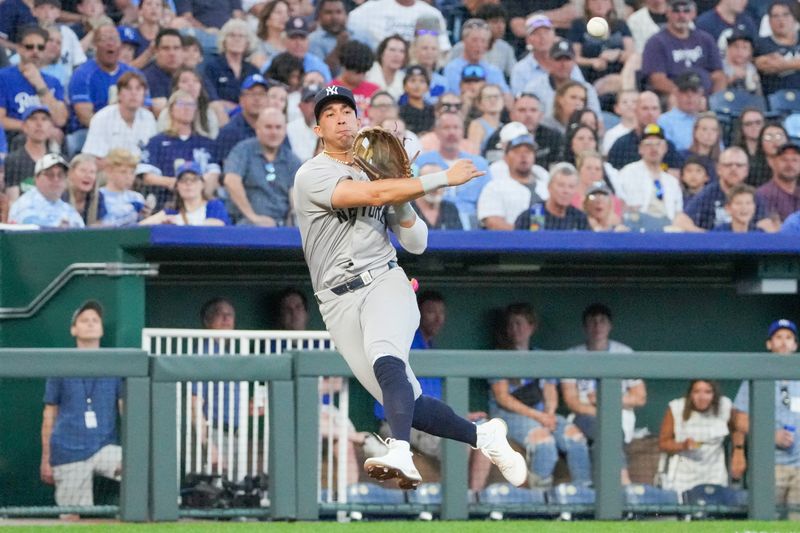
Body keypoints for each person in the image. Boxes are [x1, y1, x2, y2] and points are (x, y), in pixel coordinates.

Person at [292, 84, 526, 490]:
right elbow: (373, 193)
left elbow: (417, 243)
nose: (340, 117)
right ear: (317, 129)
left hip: (385, 280)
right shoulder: (313, 174)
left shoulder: (381, 174)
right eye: (329, 113)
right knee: (408, 404)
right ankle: (484, 436)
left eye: (346, 110)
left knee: (387, 359)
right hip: (336, 301)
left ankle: (400, 451)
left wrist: (402, 189)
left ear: (359, 119)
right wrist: (437, 180)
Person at [489, 302, 592, 488]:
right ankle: (537, 499)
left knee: (576, 438)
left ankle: (581, 493)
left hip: (542, 414)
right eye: (511, 324)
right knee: (544, 444)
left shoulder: (541, 356)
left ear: (531, 327)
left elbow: (550, 390)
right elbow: (503, 398)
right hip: (510, 416)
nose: (514, 329)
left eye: (519, 323)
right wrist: (540, 417)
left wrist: (549, 414)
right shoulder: (499, 356)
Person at [40, 300, 122, 509]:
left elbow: (126, 409)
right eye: (84, 320)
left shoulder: (115, 364)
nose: (91, 324)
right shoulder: (61, 364)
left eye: (95, 320)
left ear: (102, 329)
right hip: (68, 449)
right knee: (72, 518)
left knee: (140, 467)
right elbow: (49, 414)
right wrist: (46, 458)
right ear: (73, 329)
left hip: (104, 447)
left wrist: (136, 447)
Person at [562, 303, 647, 484]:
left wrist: (607, 401)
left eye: (602, 321)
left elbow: (640, 398)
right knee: (607, 430)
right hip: (584, 416)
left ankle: (590, 490)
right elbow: (571, 401)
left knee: (604, 438)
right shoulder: (572, 355)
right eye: (592, 322)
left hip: (620, 416)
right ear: (585, 327)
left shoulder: (624, 353)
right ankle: (624, 485)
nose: (597, 326)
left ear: (610, 326)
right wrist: (599, 412)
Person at [732, 319, 800, 519]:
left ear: (795, 345)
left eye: (789, 338)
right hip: (769, 465)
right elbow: (739, 419)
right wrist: (770, 434)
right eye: (778, 337)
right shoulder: (756, 375)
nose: (784, 342)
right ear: (769, 344)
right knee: (767, 521)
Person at [137, 89, 220, 211]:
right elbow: (147, 176)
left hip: (200, 202)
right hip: (165, 201)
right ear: (171, 109)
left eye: (191, 105)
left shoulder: (206, 143)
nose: (187, 109)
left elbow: (213, 174)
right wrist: (174, 183)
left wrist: (195, 189)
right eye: (181, 104)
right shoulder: (157, 142)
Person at [223, 107, 300, 226]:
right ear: (257, 129)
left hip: (282, 225)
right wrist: (253, 217)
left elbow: (296, 195)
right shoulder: (243, 150)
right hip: (247, 223)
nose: (273, 132)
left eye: (278, 127)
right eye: (268, 127)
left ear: (285, 130)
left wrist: (294, 217)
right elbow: (231, 181)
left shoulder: (291, 159)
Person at [415, 111, 491, 229]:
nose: (452, 132)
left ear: (463, 132)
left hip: (472, 225)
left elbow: (488, 200)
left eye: (456, 127)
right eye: (446, 128)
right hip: (436, 222)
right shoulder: (421, 162)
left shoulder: (479, 164)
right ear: (436, 132)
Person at [657, 380, 736, 494]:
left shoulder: (725, 405)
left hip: (714, 472)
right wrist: (683, 445)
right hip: (683, 474)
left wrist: (738, 452)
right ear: (690, 394)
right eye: (697, 392)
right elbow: (663, 443)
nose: (702, 397)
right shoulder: (677, 407)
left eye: (708, 392)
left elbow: (738, 428)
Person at [675, 146, 776, 231]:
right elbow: (681, 220)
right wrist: (708, 238)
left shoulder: (753, 195)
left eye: (739, 165)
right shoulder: (709, 193)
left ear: (746, 170)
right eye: (728, 165)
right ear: (719, 169)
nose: (733, 169)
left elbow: (767, 225)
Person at [641, 0, 727, 96]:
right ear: (667, 13)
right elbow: (657, 80)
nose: (681, 16)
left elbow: (719, 75)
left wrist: (714, 101)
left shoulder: (706, 39)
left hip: (705, 98)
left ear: (694, 14)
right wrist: (687, 98)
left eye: (686, 11)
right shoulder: (656, 42)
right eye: (676, 11)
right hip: (672, 99)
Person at [0, 25, 68, 138]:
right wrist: (31, 129)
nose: (35, 51)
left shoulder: (53, 81)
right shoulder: (3, 77)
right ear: (19, 49)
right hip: (14, 138)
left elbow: (60, 120)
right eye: (29, 47)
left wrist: (40, 85)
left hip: (45, 140)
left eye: (40, 47)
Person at [478, 134, 548, 230]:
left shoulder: (546, 187)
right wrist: (523, 237)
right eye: (517, 151)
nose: (524, 156)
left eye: (528, 151)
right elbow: (493, 222)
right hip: (510, 242)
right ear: (506, 158)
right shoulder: (495, 187)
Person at [81, 71, 156, 161]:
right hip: (110, 171)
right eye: (128, 88)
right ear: (119, 94)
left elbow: (152, 156)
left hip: (141, 171)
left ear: (144, 95)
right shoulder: (101, 118)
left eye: (138, 89)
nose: (134, 93)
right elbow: (93, 157)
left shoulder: (149, 118)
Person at [617, 124, 683, 224]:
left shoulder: (672, 182)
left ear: (665, 148)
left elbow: (678, 212)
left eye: (658, 144)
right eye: (648, 144)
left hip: (667, 229)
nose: (653, 148)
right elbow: (619, 203)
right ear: (640, 149)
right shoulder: (628, 172)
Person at [524, 40, 602, 123]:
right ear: (549, 61)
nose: (563, 64)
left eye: (567, 59)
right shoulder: (533, 88)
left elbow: (598, 124)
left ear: (574, 62)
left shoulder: (587, 89)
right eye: (558, 59)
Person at [482, 93, 564, 170]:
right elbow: (493, 168)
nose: (528, 115)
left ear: (541, 115)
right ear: (512, 115)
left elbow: (558, 168)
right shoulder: (499, 136)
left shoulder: (553, 136)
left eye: (533, 110)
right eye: (522, 110)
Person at [607, 91, 681, 171]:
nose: (650, 113)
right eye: (645, 108)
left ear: (660, 112)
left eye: (654, 108)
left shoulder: (668, 146)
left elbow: (675, 174)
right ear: (635, 111)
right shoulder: (621, 146)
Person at [442, 19, 511, 104]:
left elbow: (506, 96)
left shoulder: (493, 71)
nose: (479, 45)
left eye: (483, 41)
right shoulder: (452, 69)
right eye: (474, 40)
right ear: (464, 41)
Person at [140, 162, 230, 226]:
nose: (188, 184)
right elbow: (141, 226)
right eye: (183, 180)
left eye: (194, 179)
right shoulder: (173, 211)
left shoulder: (214, 205)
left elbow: (216, 224)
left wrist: (178, 222)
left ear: (202, 184)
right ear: (177, 186)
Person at [346, 0, 450, 55]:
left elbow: (443, 49)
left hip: (418, 68)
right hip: (378, 64)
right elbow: (348, 26)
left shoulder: (431, 13)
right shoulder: (371, 8)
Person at [8, 152, 84, 227]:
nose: (56, 179)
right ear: (36, 179)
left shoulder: (67, 208)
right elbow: (35, 234)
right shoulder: (24, 204)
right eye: (50, 174)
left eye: (60, 175)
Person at [203, 20, 259, 111]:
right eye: (232, 35)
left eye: (241, 36)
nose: (236, 39)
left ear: (247, 43)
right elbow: (212, 99)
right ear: (224, 40)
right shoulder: (212, 67)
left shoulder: (253, 70)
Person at [514, 162, 590, 231]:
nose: (566, 191)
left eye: (571, 187)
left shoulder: (579, 219)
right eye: (561, 185)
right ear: (549, 187)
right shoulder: (531, 216)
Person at [4, 105, 54, 205]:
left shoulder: (57, 162)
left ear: (51, 127)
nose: (39, 124)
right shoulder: (13, 160)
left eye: (44, 119)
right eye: (33, 119)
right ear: (24, 127)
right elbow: (13, 201)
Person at [753, 1, 800, 97]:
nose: (781, 20)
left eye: (785, 15)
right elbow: (763, 64)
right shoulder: (761, 44)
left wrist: (785, 64)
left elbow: (778, 65)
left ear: (794, 18)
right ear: (769, 21)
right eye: (775, 16)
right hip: (775, 99)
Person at [98, 148, 149, 227]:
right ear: (109, 171)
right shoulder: (98, 196)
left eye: (132, 173)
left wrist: (146, 216)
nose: (128, 177)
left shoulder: (137, 198)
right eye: (123, 172)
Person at [330, 40, 380, 122]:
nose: (361, 76)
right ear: (345, 66)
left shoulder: (375, 91)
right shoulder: (330, 90)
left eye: (364, 71)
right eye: (357, 72)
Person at [657, 72, 707, 152]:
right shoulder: (664, 121)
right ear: (676, 93)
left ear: (701, 94)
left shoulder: (706, 121)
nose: (689, 96)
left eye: (694, 91)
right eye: (684, 91)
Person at [756, 142, 800, 222]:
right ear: (772, 163)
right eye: (784, 160)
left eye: (795, 160)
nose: (789, 165)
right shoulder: (762, 194)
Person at [411, 163, 463, 229]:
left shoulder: (450, 208)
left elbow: (459, 237)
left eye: (439, 182)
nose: (434, 188)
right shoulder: (407, 208)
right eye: (428, 182)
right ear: (418, 184)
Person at [677, 112, 722, 182]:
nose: (709, 133)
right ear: (695, 132)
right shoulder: (681, 157)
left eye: (714, 130)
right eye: (704, 129)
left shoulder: (721, 161)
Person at [65, 153, 104, 225]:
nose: (88, 176)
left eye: (92, 172)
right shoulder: (61, 196)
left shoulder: (99, 197)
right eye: (83, 171)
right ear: (70, 173)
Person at [366, 35, 408, 100]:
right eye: (392, 50)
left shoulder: (404, 79)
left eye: (401, 51)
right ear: (382, 54)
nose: (397, 55)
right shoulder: (367, 71)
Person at [748, 123, 789, 188]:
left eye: (779, 136)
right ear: (761, 143)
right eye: (768, 137)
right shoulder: (751, 168)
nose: (774, 140)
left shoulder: (797, 165)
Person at [466, 84, 504, 155]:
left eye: (496, 97)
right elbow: (474, 155)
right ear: (479, 103)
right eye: (488, 97)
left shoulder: (504, 126)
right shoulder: (477, 125)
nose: (493, 100)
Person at [398, 65, 434, 135]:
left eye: (422, 81)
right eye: (412, 80)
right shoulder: (400, 112)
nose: (417, 85)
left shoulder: (433, 111)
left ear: (427, 87)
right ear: (404, 86)